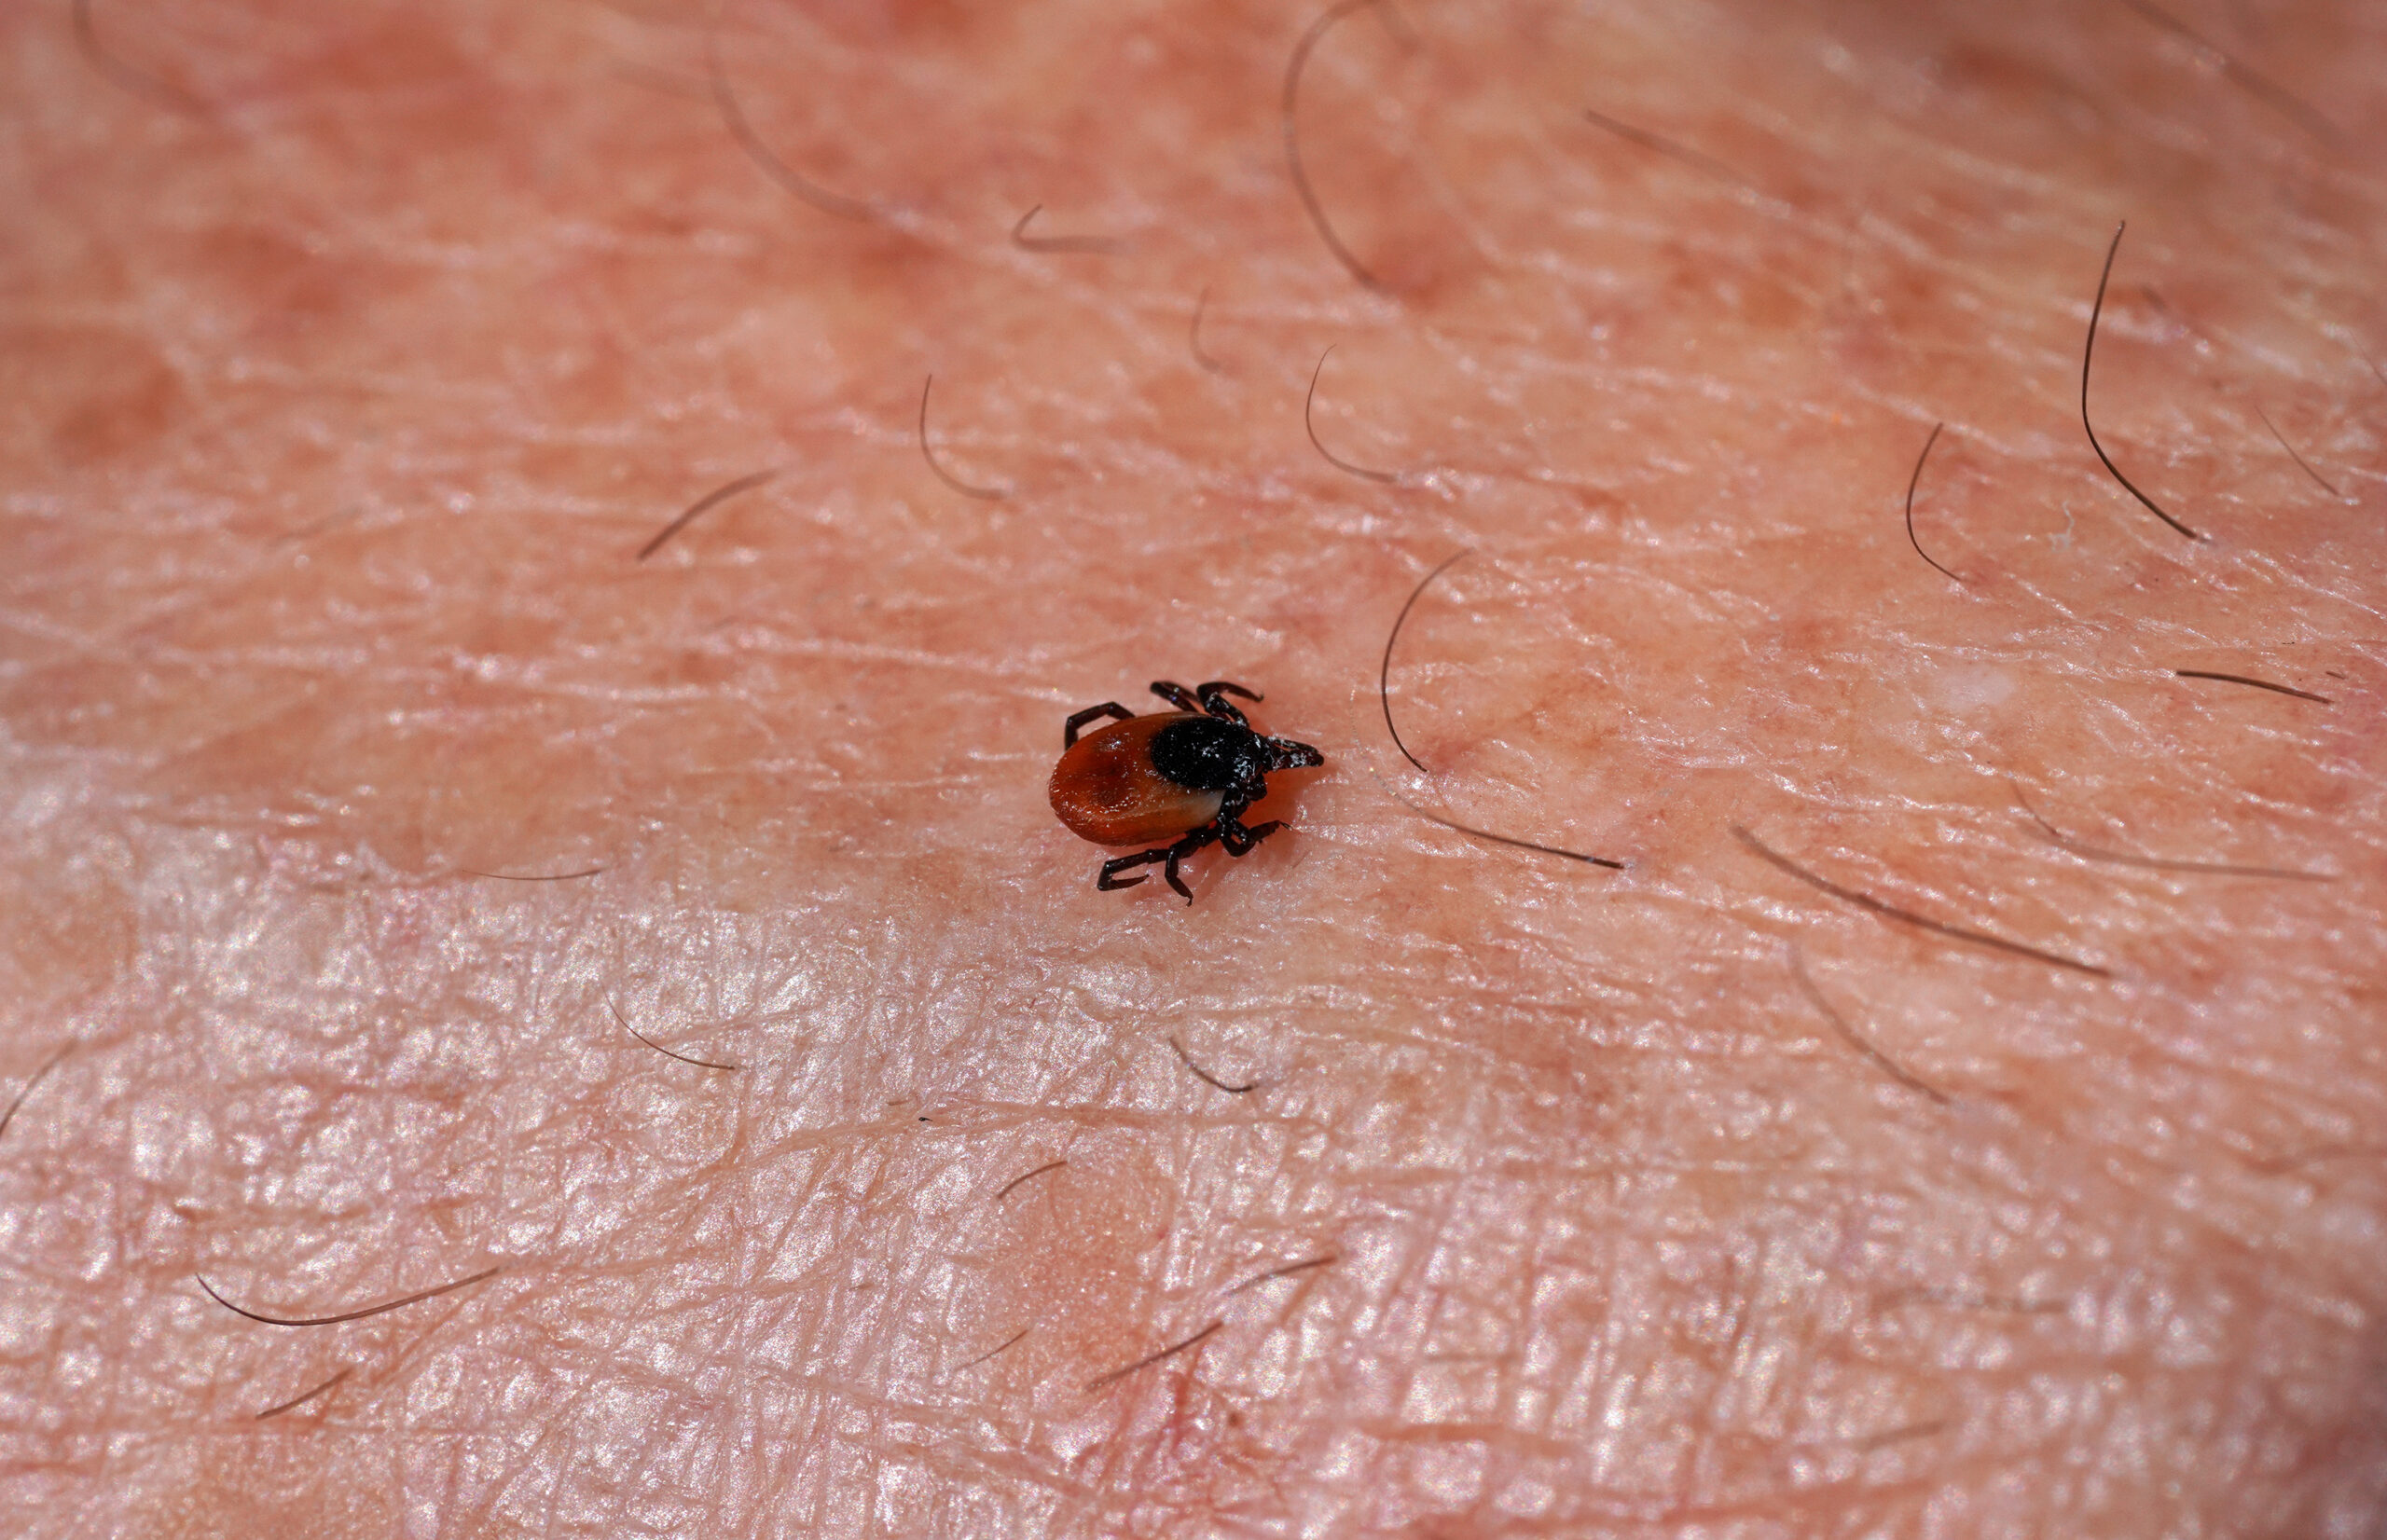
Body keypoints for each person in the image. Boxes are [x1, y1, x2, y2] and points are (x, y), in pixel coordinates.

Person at [6, 1, 2381, 1533]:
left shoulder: (1167, 759)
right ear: (1205, 769)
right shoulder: (1189, 787)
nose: (1232, 771)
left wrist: (1174, 815)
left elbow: (1104, 758)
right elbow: (1119, 777)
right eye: (1223, 770)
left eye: (1213, 767)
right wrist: (1186, 837)